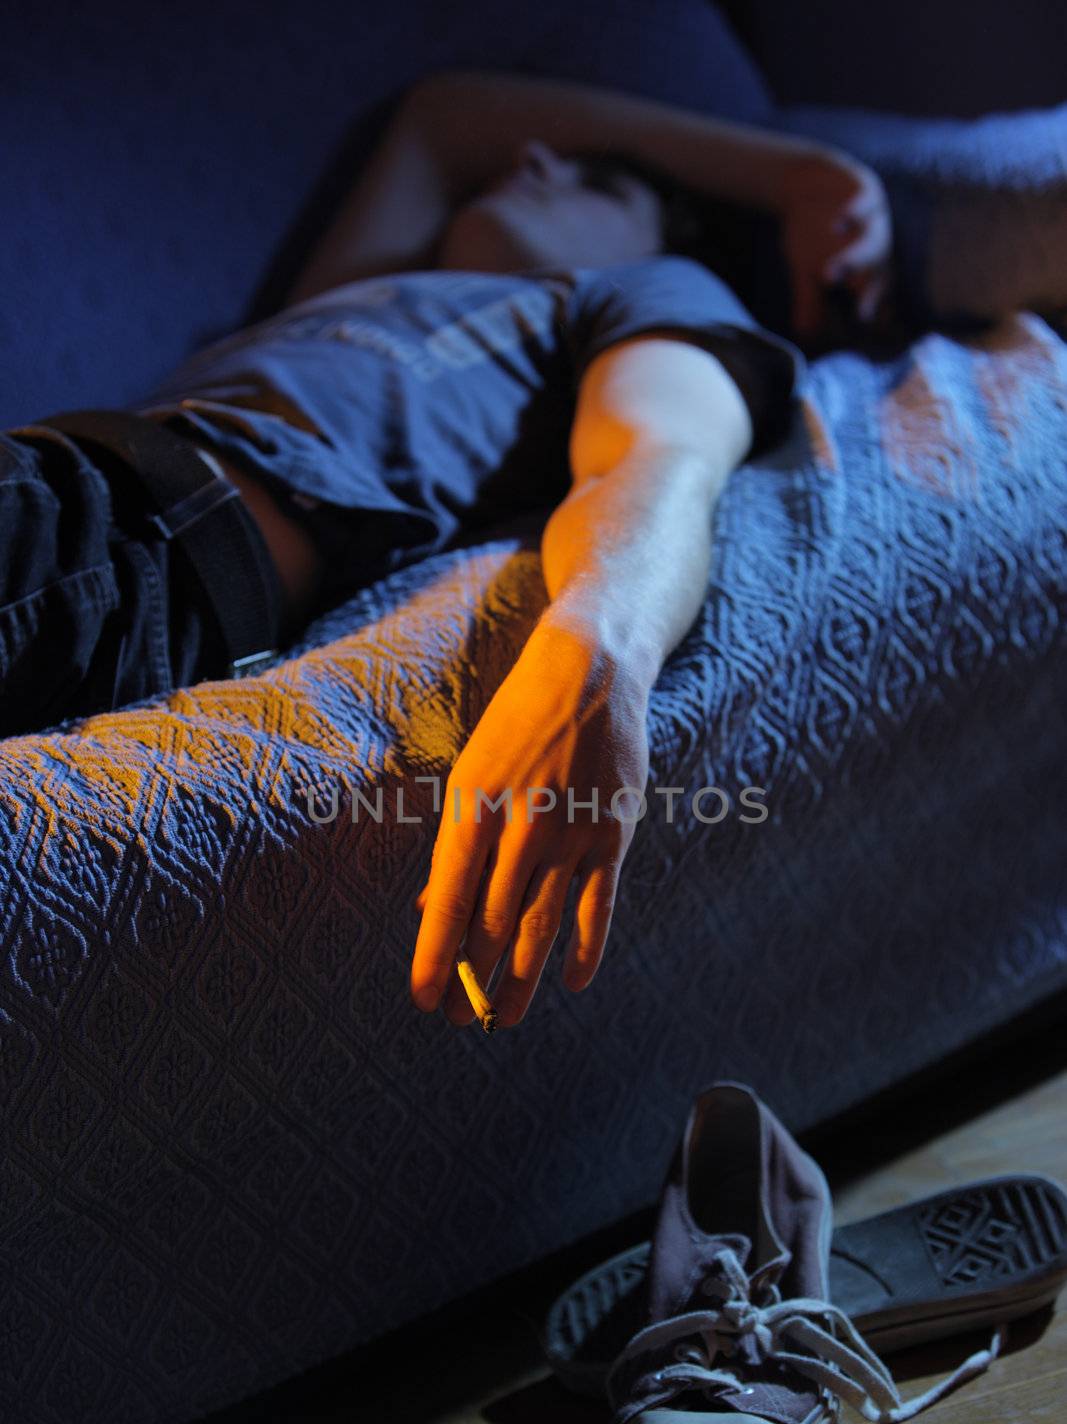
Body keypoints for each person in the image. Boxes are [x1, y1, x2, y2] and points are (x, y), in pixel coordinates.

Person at [0, 69, 895, 1028]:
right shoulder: (363, 290)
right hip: (75, 494)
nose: (535, 158)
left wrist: (597, 657)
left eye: (600, 184)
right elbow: (444, 118)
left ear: (660, 240)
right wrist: (802, 170)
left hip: (130, 535)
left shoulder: (639, 291)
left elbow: (660, 456)